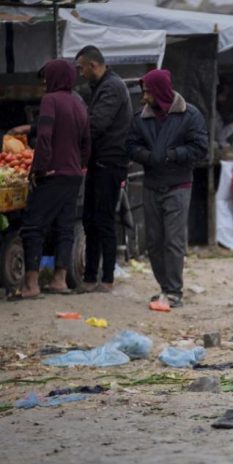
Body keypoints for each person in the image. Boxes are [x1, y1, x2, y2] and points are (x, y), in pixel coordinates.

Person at [126, 69, 208, 309]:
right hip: (152, 184)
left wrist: (172, 155)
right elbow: (130, 145)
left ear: (160, 91)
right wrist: (148, 156)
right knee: (154, 240)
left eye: (148, 92)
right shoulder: (141, 117)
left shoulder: (189, 115)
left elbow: (200, 148)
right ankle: (164, 287)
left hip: (178, 184)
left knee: (173, 240)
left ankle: (174, 291)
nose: (144, 97)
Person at [19, 59, 90, 298]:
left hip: (53, 174)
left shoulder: (51, 100)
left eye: (46, 78)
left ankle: (31, 285)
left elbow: (44, 137)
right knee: (64, 227)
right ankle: (59, 280)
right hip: (73, 175)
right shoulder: (78, 103)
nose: (44, 84)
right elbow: (86, 142)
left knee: (33, 226)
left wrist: (39, 169)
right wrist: (80, 165)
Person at [75, 45, 133, 293]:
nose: (80, 74)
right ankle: (90, 277)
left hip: (110, 164)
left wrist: (71, 141)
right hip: (98, 164)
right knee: (90, 220)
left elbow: (96, 125)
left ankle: (106, 278)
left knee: (104, 220)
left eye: (81, 68)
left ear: (93, 65)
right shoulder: (101, 86)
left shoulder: (112, 87)